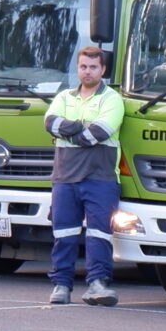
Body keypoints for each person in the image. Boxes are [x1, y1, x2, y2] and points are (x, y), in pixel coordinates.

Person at [44, 44, 123, 306]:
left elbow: (98, 133)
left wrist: (67, 130)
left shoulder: (111, 98)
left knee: (100, 233)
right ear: (77, 69)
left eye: (92, 67)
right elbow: (49, 123)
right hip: (65, 177)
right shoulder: (64, 96)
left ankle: (97, 284)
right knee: (63, 233)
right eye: (83, 67)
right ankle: (61, 286)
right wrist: (80, 126)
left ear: (103, 69)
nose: (87, 71)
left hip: (100, 177)